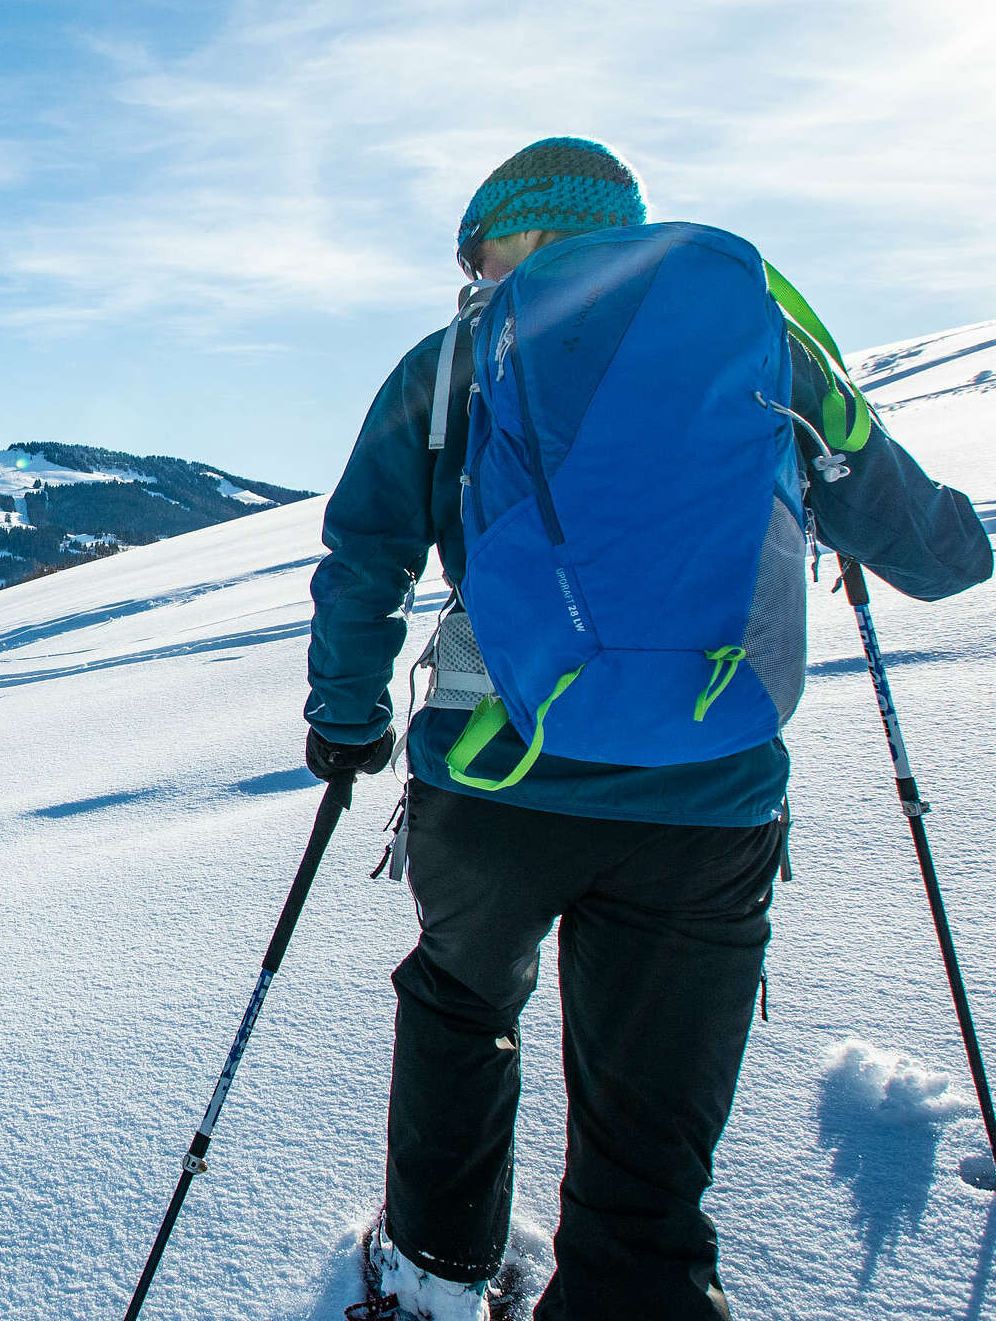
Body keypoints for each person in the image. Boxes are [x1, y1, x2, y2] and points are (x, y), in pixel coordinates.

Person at [304, 138, 991, 1320]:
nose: (471, 276)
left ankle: (427, 1272)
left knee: (464, 1009)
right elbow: (925, 546)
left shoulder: (454, 360)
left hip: (491, 777)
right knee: (652, 1079)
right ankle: (632, 1292)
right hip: (706, 793)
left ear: (515, 235)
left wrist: (345, 716)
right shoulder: (759, 345)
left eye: (477, 250)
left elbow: (367, 552)